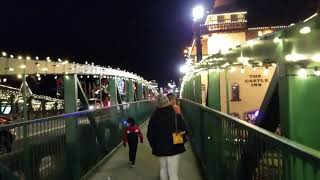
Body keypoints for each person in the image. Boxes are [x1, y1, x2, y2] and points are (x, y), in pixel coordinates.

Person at [147, 94, 186, 180]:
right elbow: (184, 129)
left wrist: (154, 146)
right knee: (173, 174)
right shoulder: (176, 114)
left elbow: (149, 135)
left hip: (160, 148)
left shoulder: (153, 118)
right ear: (167, 102)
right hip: (175, 147)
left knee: (163, 169)